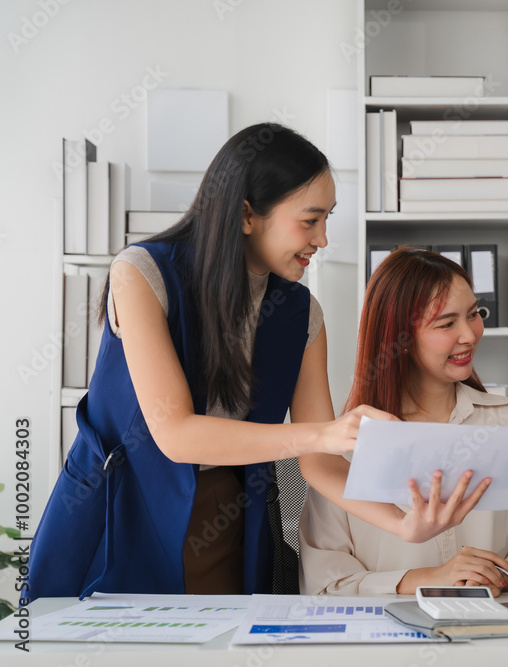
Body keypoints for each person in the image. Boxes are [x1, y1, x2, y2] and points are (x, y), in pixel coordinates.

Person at [29, 125, 480, 602]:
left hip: (225, 521)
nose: (323, 239)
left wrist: (404, 525)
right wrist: (324, 432)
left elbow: (319, 463)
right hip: (118, 511)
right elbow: (176, 433)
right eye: (310, 221)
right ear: (247, 214)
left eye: (327, 219)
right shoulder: (141, 274)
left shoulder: (304, 315)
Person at [298, 247, 508, 596]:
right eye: (447, 323)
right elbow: (325, 584)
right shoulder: (346, 447)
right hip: (383, 642)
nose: (470, 334)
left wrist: (502, 575)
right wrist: (426, 579)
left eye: (474, 314)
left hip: (496, 632)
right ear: (399, 339)